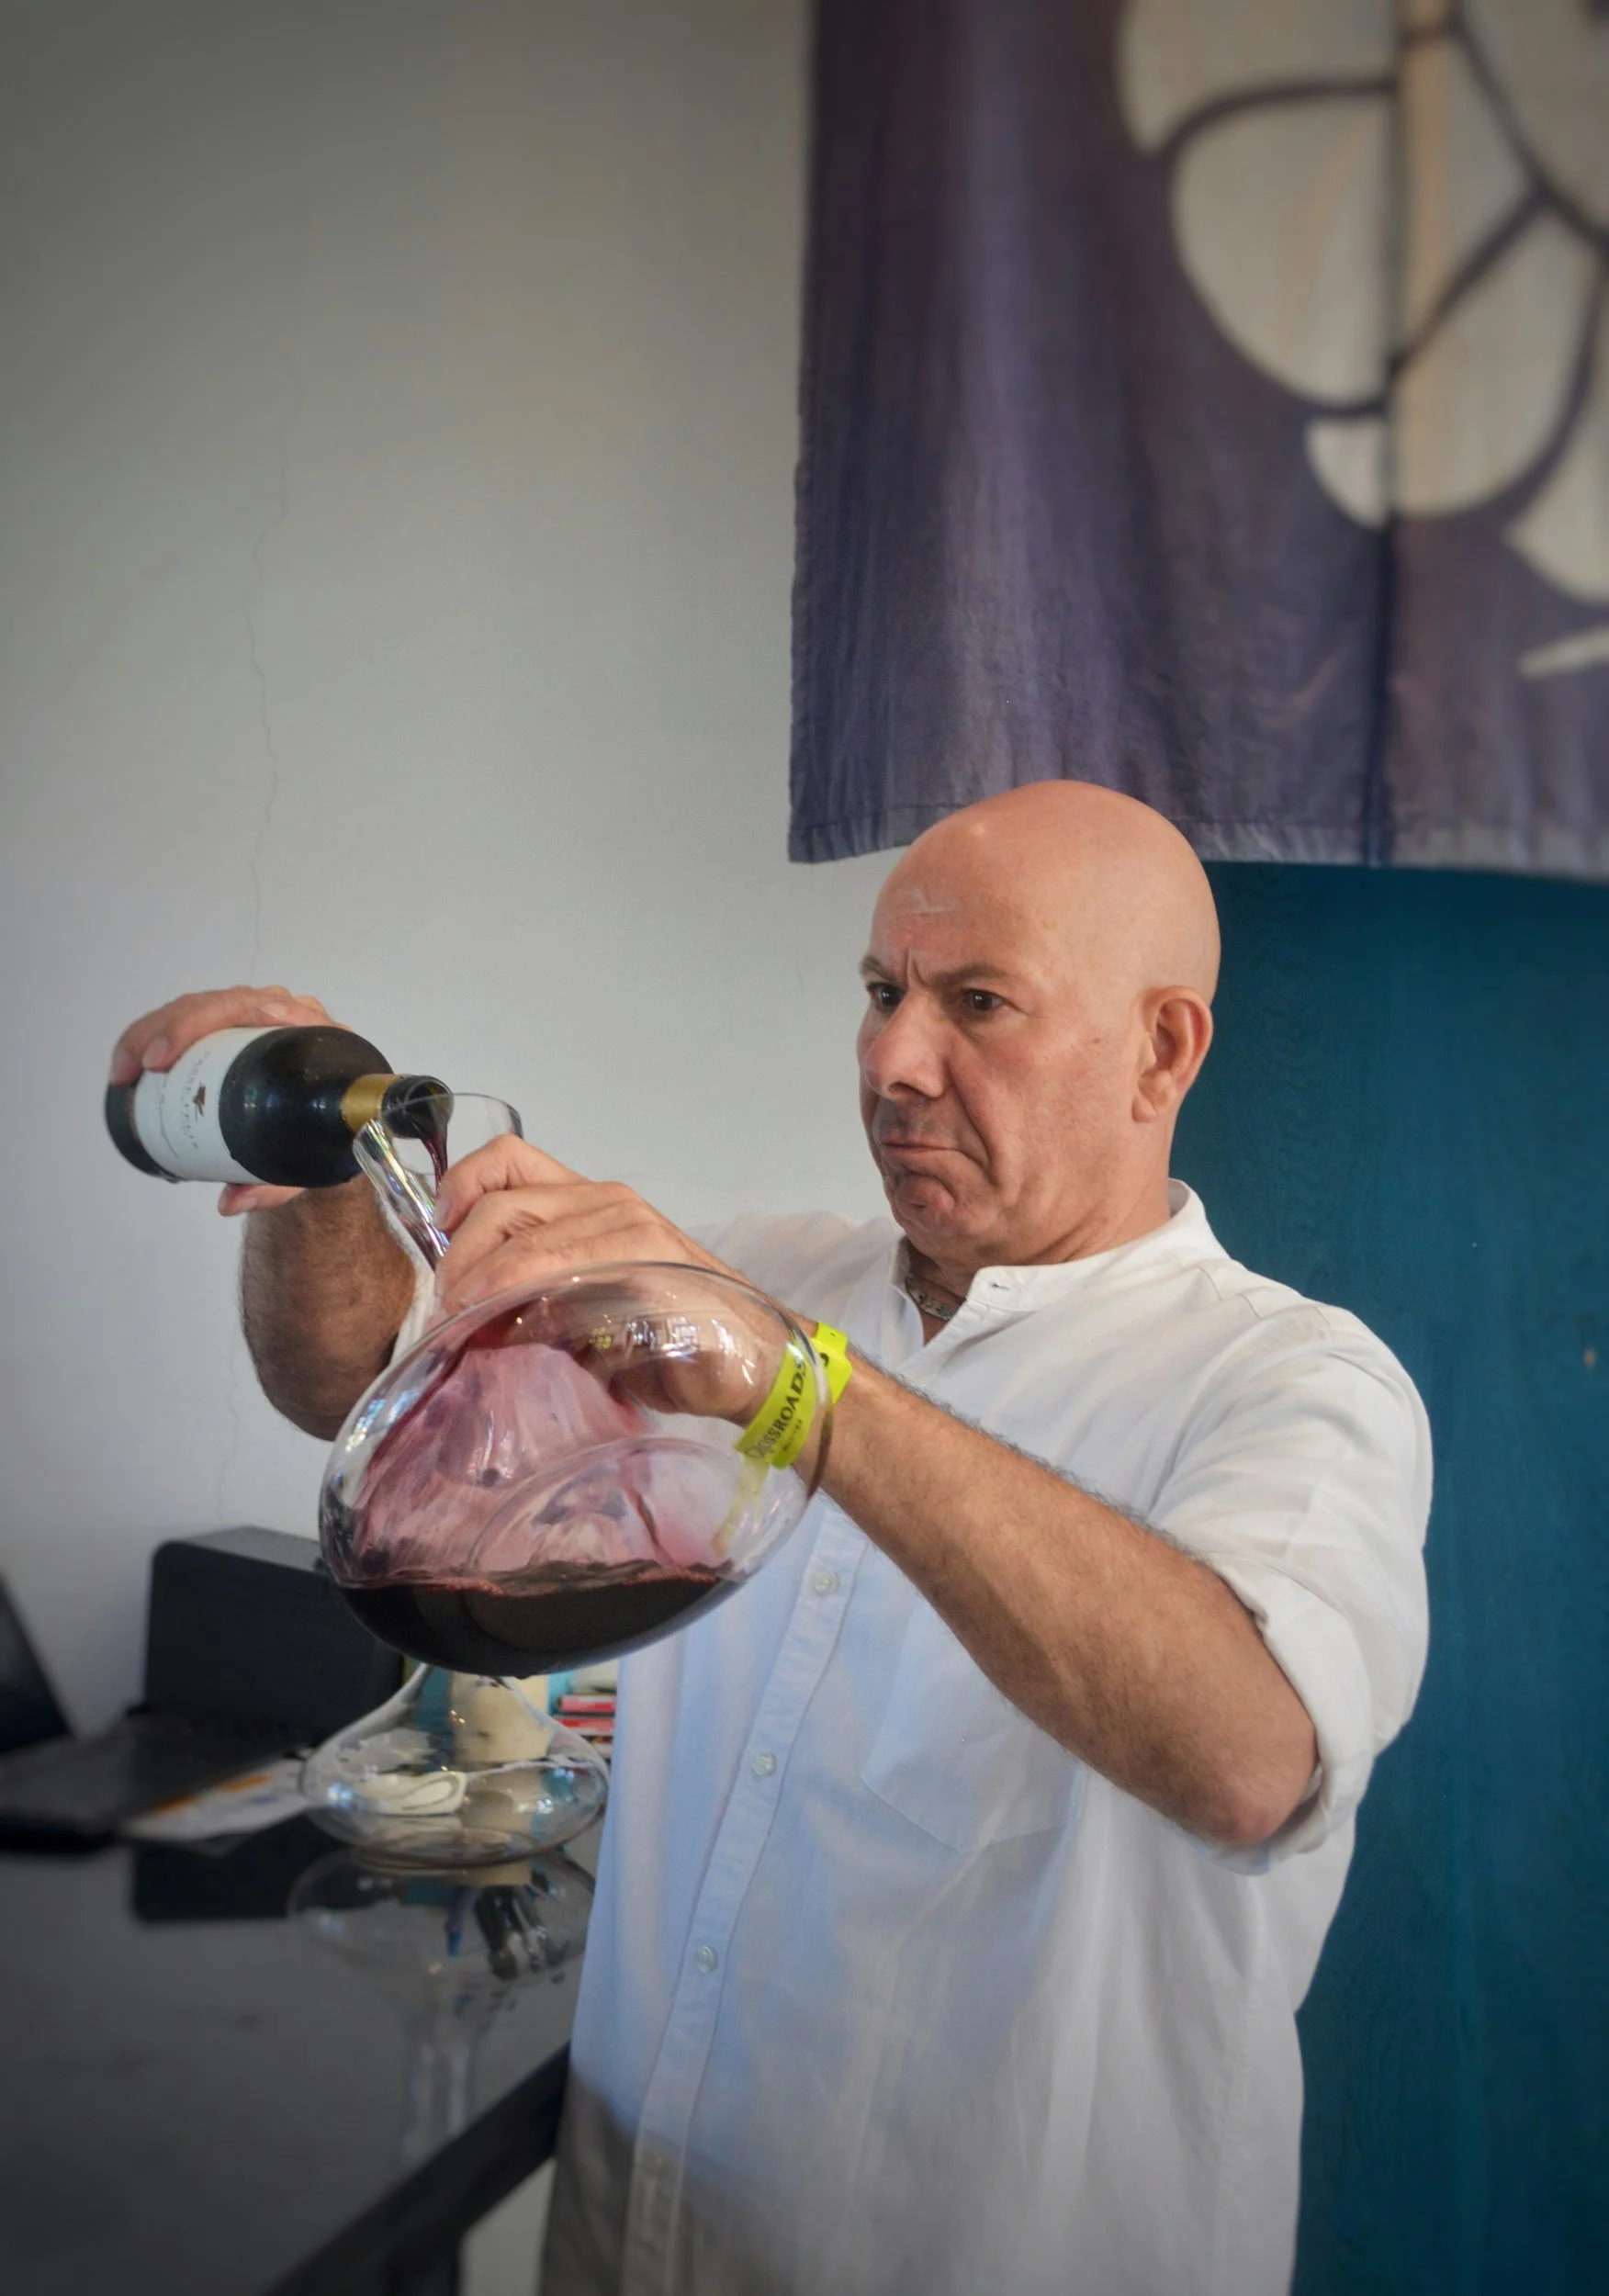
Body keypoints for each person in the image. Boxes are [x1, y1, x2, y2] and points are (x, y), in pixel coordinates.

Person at [113, 782, 1431, 2296]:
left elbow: (1249, 1764)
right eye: (882, 993)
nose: (893, 1059)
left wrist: (791, 1378)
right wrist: (312, 1171)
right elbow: (348, 1383)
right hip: (641, 2241)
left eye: (978, 1003)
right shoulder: (765, 1277)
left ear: (1162, 1048)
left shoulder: (1295, 1385)